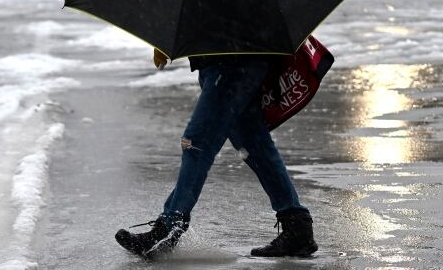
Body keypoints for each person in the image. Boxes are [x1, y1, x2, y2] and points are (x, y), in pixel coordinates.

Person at [115, 48, 317, 259]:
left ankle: (167, 229)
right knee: (254, 145)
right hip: (231, 61)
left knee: (196, 144)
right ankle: (296, 226)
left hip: (231, 63)